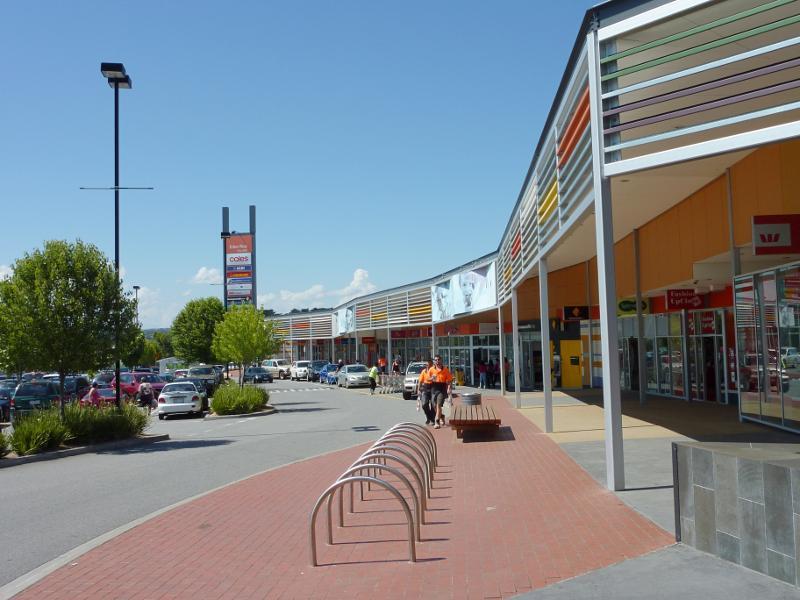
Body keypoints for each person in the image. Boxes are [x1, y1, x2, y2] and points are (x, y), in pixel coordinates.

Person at [427, 355, 453, 429]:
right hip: (434, 388)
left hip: (442, 388)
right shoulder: (431, 369)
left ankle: (436, 422)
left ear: (441, 360)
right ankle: (442, 416)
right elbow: (428, 379)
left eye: (438, 359)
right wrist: (431, 378)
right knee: (434, 405)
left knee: (438, 405)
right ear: (434, 361)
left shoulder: (445, 369)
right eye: (435, 360)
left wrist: (449, 388)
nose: (437, 361)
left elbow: (450, 380)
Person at [417, 358, 436, 425]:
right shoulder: (424, 371)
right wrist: (418, 390)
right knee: (424, 404)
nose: (429, 366)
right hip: (425, 387)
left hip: (433, 387)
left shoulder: (434, 371)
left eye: (430, 365)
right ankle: (429, 417)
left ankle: (433, 419)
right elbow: (420, 381)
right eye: (428, 364)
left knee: (434, 404)